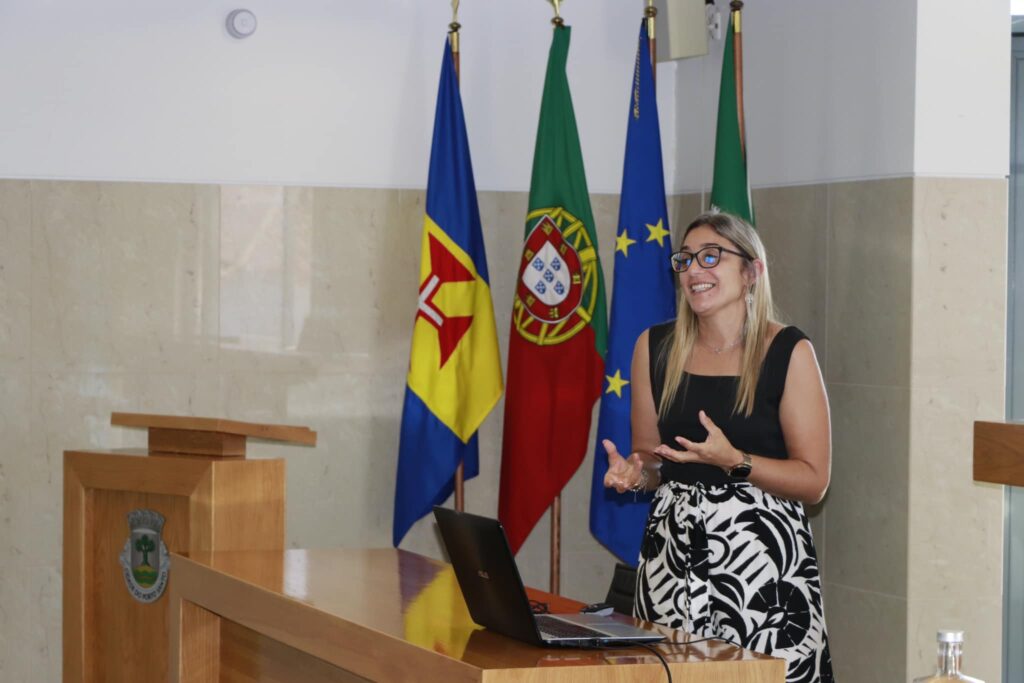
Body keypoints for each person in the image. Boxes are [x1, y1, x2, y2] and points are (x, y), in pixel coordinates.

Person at [603, 211, 834, 683]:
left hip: (762, 562)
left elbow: (814, 481)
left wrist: (737, 462)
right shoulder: (656, 345)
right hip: (672, 555)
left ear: (751, 272)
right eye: (685, 260)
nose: (693, 270)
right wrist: (635, 472)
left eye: (711, 256)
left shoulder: (788, 351)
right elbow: (652, 457)